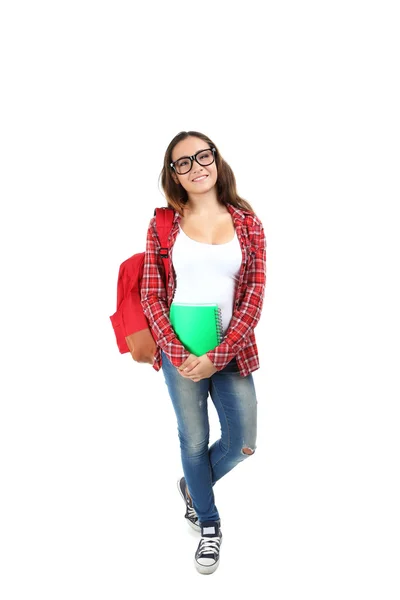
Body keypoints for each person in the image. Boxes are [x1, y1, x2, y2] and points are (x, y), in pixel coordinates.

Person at [140, 130, 267, 575]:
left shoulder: (248, 222)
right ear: (173, 174)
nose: (196, 167)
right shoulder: (163, 224)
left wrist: (220, 353)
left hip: (232, 353)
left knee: (244, 443)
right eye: (183, 162)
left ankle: (194, 487)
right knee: (192, 440)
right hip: (179, 353)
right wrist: (178, 353)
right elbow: (151, 295)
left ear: (216, 158)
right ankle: (208, 523)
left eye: (202, 156)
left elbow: (254, 294)